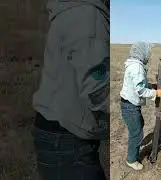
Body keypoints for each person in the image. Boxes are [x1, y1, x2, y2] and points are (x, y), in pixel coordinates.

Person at [32, 0, 109, 179]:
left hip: (56, 130)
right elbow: (96, 87)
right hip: (68, 140)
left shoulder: (73, 9)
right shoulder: (89, 15)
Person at [120, 42, 161, 171]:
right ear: (142, 52)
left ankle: (134, 147)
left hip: (129, 104)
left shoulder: (134, 64)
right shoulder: (137, 67)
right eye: (148, 53)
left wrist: (150, 86)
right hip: (130, 106)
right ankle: (132, 160)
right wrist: (156, 93)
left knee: (139, 126)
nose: (149, 56)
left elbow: (139, 84)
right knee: (136, 134)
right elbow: (139, 90)